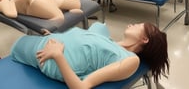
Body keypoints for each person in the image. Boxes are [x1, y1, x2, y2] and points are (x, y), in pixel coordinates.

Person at [11, 21, 169, 86]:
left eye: (138, 25)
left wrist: (57, 54)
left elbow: (81, 87)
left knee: (17, 44)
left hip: (48, 55)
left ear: (145, 39)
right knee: (99, 26)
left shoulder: (130, 60)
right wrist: (58, 37)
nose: (131, 24)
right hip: (52, 42)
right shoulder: (113, 44)